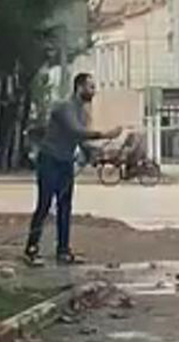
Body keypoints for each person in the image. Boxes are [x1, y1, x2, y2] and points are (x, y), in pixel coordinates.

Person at [25, 74, 121, 264]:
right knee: (44, 204)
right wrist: (104, 134)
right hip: (49, 160)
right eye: (91, 87)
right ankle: (31, 248)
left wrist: (93, 153)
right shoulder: (64, 107)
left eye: (94, 87)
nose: (94, 92)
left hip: (66, 162)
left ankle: (63, 250)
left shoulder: (83, 112)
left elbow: (79, 139)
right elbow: (74, 131)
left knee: (65, 206)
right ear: (79, 88)